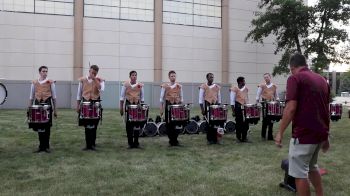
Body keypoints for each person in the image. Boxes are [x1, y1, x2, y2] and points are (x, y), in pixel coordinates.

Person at [275, 53, 330, 196]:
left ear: (292, 67)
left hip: (304, 134)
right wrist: (326, 135)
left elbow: (291, 108)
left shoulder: (295, 78)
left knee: (300, 173)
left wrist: (280, 132)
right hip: (319, 134)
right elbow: (325, 108)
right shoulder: (322, 79)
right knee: (312, 167)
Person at [28, 66, 57, 153]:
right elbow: (31, 96)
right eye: (43, 71)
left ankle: (46, 146)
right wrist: (29, 108)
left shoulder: (51, 82)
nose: (45, 73)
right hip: (37, 105)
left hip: (47, 105)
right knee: (39, 126)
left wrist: (55, 109)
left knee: (47, 126)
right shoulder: (34, 82)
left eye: (46, 71)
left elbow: (54, 97)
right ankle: (41, 146)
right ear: (39, 72)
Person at [76, 65, 105, 151]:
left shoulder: (100, 80)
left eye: (95, 73)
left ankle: (93, 143)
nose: (93, 74)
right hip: (85, 103)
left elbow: (101, 89)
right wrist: (77, 105)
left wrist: (95, 79)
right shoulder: (82, 80)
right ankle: (88, 144)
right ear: (89, 71)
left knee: (94, 124)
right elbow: (79, 94)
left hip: (95, 103)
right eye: (92, 72)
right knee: (87, 124)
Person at [120, 70, 144, 149]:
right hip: (128, 104)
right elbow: (122, 97)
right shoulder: (125, 85)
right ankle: (130, 143)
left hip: (137, 105)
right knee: (129, 124)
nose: (134, 76)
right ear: (130, 76)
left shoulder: (140, 85)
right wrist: (121, 108)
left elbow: (142, 97)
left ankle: (136, 142)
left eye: (135, 75)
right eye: (133, 75)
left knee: (137, 123)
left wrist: (141, 105)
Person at [160, 70, 184, 146]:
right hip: (168, 105)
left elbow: (181, 97)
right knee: (169, 123)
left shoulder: (179, 86)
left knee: (177, 123)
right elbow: (161, 98)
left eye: (174, 76)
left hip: (177, 106)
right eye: (171, 76)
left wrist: (181, 105)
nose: (173, 77)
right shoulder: (165, 86)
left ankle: (175, 140)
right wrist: (161, 109)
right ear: (169, 77)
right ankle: (171, 140)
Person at [199, 73, 221, 144]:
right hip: (207, 105)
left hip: (215, 106)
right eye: (210, 77)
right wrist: (202, 109)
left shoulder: (217, 87)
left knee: (215, 123)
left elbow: (219, 97)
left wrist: (219, 106)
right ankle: (209, 139)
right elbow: (200, 99)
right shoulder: (203, 86)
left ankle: (215, 139)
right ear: (207, 78)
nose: (212, 78)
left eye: (212, 77)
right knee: (209, 123)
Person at [256, 73, 279, 140]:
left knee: (271, 119)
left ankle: (270, 136)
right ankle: (263, 135)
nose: (266, 78)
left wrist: (277, 102)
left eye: (267, 77)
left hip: (272, 104)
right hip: (264, 104)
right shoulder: (262, 86)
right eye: (265, 77)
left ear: (270, 77)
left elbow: (276, 96)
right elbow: (258, 94)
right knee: (265, 119)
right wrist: (257, 101)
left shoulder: (274, 86)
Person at [230, 76, 249, 142]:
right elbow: (232, 101)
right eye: (243, 81)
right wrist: (233, 111)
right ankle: (238, 138)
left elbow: (246, 98)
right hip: (238, 107)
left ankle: (244, 137)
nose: (244, 82)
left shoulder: (246, 89)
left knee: (246, 123)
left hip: (245, 107)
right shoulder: (234, 89)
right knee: (239, 123)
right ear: (240, 82)